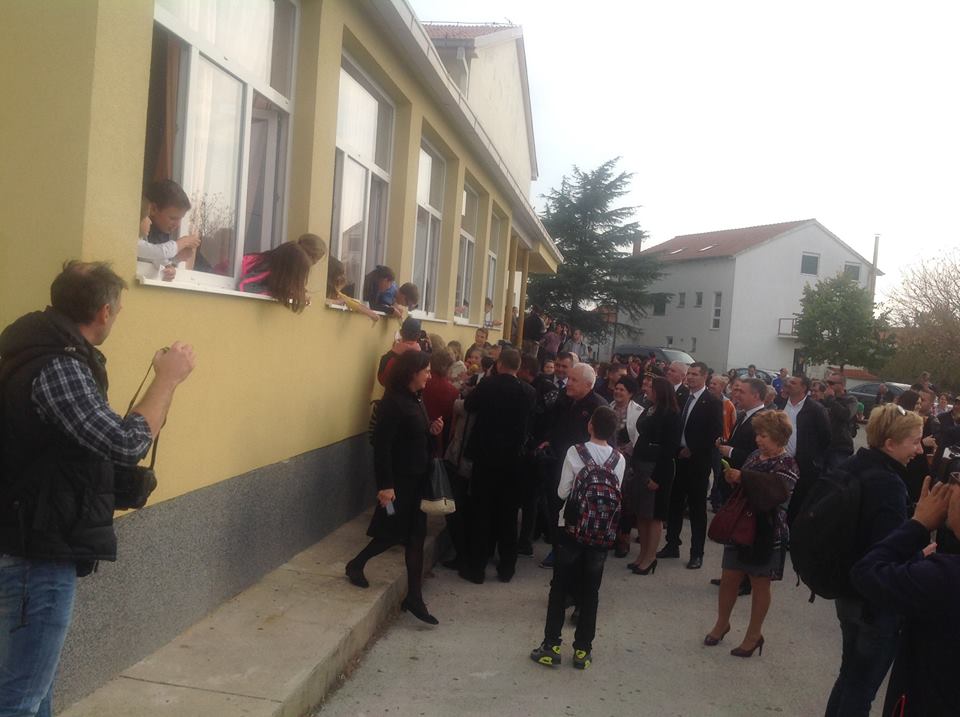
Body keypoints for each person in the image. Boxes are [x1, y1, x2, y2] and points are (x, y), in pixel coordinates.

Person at [0, 261, 196, 716]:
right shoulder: (59, 366)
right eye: (119, 309)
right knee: (19, 700)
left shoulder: (36, 350)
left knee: (34, 691)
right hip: (36, 554)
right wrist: (167, 379)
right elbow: (126, 443)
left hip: (31, 543)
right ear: (104, 312)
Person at [823, 403, 923, 717]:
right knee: (862, 687)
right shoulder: (888, 483)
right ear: (890, 444)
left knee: (849, 675)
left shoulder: (853, 465)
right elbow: (889, 550)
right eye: (915, 442)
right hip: (874, 603)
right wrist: (921, 549)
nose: (919, 450)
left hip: (846, 589)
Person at [345, 351, 443, 625]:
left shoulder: (416, 398)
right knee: (391, 533)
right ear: (412, 372)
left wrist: (431, 430)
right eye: (426, 371)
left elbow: (415, 436)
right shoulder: (393, 403)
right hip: (398, 485)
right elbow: (382, 447)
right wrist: (386, 486)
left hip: (417, 481)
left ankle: (414, 598)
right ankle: (356, 564)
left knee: (415, 538)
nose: (429, 375)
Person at [850, 476, 960, 716]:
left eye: (957, 480)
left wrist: (918, 524)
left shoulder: (944, 577)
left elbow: (866, 573)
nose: (950, 489)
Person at [529, 406, 624, 670]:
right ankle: (583, 650)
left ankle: (551, 646)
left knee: (560, 587)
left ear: (590, 425)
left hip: (571, 528)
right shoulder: (619, 459)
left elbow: (562, 492)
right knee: (591, 591)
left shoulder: (575, 451)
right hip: (601, 532)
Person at [704, 411, 798, 658]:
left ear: (778, 436)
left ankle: (754, 634)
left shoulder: (788, 463)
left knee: (759, 583)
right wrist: (733, 477)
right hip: (741, 525)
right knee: (729, 577)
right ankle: (721, 623)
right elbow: (747, 485)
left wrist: (743, 477)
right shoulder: (755, 456)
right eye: (758, 434)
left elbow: (776, 493)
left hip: (766, 531)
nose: (758, 439)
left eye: (763, 435)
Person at [461, 348, 536, 583]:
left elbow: (469, 405)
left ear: (499, 364)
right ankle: (506, 568)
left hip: (486, 458)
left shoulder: (488, 385)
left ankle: (477, 569)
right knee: (508, 515)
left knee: (481, 513)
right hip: (514, 461)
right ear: (518, 367)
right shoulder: (528, 392)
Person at [537, 362, 606, 568]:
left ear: (588, 384)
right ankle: (558, 548)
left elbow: (605, 443)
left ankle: (575, 553)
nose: (568, 383)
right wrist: (549, 441)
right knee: (556, 508)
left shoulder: (598, 407)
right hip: (559, 463)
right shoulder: (565, 400)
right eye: (569, 378)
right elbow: (555, 426)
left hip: (583, 471)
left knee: (575, 513)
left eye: (574, 380)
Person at [659, 362, 724, 569]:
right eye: (689, 374)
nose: (691, 378)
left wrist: (693, 448)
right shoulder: (681, 397)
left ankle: (697, 553)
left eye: (695, 374)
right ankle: (672, 544)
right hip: (678, 458)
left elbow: (715, 432)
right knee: (674, 504)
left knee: (697, 509)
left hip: (698, 462)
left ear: (704, 377)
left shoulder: (712, 402)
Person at [627, 375, 682, 574]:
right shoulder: (650, 409)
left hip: (657, 469)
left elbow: (670, 449)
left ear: (660, 391)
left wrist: (657, 477)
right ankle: (642, 554)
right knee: (641, 513)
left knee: (654, 516)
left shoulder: (671, 414)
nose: (646, 390)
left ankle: (650, 557)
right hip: (641, 465)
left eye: (651, 387)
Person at [782, 374, 831, 526]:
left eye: (793, 383)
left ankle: (792, 530)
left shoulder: (815, 409)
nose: (788, 384)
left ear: (803, 387)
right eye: (789, 381)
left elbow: (826, 437)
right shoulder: (781, 404)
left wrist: (813, 458)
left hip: (804, 465)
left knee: (798, 501)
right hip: (780, 460)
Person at [237, 234, 326, 313]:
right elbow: (244, 286)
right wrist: (279, 294)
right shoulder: (269, 266)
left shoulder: (283, 269)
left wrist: (293, 294)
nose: (314, 263)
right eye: (314, 259)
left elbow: (280, 287)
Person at [609, 375, 643, 557]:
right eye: (616, 388)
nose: (618, 392)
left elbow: (639, 437)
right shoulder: (608, 408)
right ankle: (611, 533)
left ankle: (624, 537)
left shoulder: (638, 411)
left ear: (630, 393)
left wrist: (625, 451)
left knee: (626, 498)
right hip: (609, 458)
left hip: (629, 460)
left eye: (622, 389)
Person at [141, 179, 202, 271]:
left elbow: (155, 260)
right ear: (153, 209)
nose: (178, 225)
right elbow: (155, 253)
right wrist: (183, 242)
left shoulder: (162, 232)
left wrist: (176, 259)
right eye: (173, 218)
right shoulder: (141, 231)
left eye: (180, 219)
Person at [422, 350, 458, 455]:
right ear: (447, 368)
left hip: (416, 428)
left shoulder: (421, 380)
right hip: (436, 434)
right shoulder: (452, 391)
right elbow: (449, 418)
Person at [821, 372, 859, 471]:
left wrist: (831, 399)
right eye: (827, 382)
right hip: (824, 444)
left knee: (837, 474)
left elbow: (846, 415)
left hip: (840, 446)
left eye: (831, 383)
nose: (828, 385)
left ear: (842, 385)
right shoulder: (825, 399)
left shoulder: (850, 400)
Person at [326, 257, 380, 322]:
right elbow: (320, 301)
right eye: (338, 275)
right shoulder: (324, 289)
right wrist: (337, 302)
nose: (340, 278)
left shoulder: (334, 291)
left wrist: (371, 314)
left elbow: (352, 303)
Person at [136, 198, 177, 280]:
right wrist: (182, 243)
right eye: (147, 217)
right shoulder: (135, 244)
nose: (150, 222)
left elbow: (153, 257)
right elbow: (157, 252)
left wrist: (168, 266)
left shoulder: (142, 241)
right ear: (137, 219)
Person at [376, 317, 422, 387]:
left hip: (391, 392)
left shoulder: (386, 358)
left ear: (401, 332)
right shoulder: (423, 360)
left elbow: (381, 380)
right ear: (419, 335)